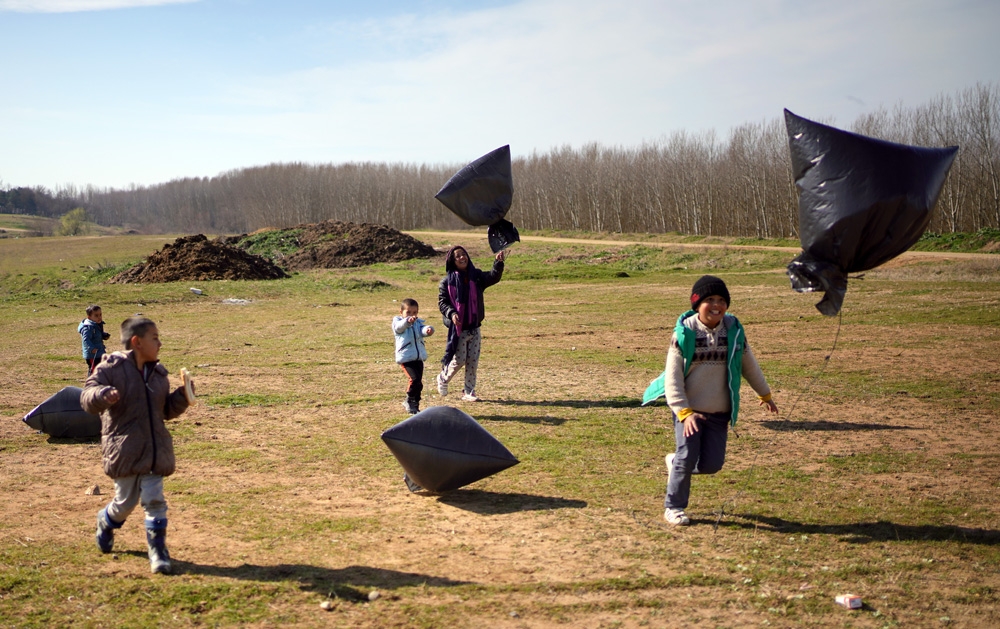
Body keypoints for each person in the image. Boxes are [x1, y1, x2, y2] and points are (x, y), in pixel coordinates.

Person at [663, 275, 779, 526]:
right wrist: (684, 412)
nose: (716, 305)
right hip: (689, 412)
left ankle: (674, 464)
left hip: (718, 412)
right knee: (687, 456)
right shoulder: (684, 334)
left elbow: (748, 364)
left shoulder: (733, 331)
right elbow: (672, 380)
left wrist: (765, 394)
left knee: (712, 465)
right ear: (697, 304)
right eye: (709, 300)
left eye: (721, 300)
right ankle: (674, 506)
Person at [81, 316, 192, 574]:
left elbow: (164, 410)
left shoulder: (158, 375)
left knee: (154, 500)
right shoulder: (111, 368)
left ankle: (158, 551)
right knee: (125, 502)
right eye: (155, 338)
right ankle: (106, 521)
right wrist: (101, 395)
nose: (160, 343)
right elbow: (87, 396)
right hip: (125, 450)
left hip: (154, 450)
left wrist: (182, 397)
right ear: (137, 342)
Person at [436, 245, 508, 402]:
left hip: (475, 327)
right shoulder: (447, 282)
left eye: (464, 255)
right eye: (458, 256)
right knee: (459, 360)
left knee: (473, 360)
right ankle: (443, 378)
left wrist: (498, 263)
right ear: (452, 261)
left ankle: (469, 391)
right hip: (459, 329)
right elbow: (443, 303)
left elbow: (492, 277)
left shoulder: (476, 276)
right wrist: (452, 314)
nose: (462, 258)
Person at [393, 298, 434, 415]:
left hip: (418, 357)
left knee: (419, 383)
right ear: (401, 312)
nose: (412, 315)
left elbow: (422, 330)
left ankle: (415, 405)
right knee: (414, 379)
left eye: (414, 312)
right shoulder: (398, 322)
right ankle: (409, 400)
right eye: (408, 312)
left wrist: (428, 330)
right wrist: (407, 322)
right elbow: (399, 328)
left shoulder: (417, 323)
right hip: (406, 358)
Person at [78, 305, 111, 375]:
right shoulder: (88, 328)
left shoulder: (97, 324)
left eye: (100, 315)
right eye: (96, 315)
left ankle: (99, 382)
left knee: (101, 368)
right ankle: (91, 383)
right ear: (89, 317)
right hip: (92, 354)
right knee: (93, 370)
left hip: (100, 351)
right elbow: (86, 339)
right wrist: (91, 348)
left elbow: (96, 335)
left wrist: (104, 335)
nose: (99, 317)